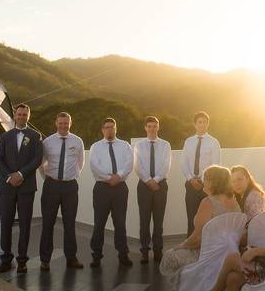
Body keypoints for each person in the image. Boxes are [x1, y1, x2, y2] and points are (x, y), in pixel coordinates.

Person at [159, 165, 240, 288]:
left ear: (214, 182)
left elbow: (197, 239)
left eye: (206, 178)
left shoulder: (208, 202)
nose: (203, 181)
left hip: (206, 255)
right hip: (228, 253)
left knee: (169, 255)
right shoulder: (234, 201)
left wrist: (180, 246)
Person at [0, 103, 43, 274]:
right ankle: (6, 259)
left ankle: (22, 260)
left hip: (26, 186)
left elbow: (37, 159)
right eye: (19, 114)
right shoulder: (6, 136)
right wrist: (9, 176)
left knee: (25, 224)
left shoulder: (35, 136)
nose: (21, 117)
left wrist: (20, 174)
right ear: (15, 116)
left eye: (24, 114)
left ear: (29, 116)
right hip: (7, 187)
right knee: (5, 223)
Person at [38, 111, 85, 271]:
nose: (63, 126)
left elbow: (80, 163)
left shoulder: (77, 141)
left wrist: (68, 177)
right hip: (51, 186)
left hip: (70, 187)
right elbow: (41, 163)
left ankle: (71, 258)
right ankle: (45, 259)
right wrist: (49, 179)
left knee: (70, 224)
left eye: (66, 123)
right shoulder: (48, 142)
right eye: (60, 123)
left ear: (70, 123)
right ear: (56, 123)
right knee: (48, 224)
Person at [89, 117, 134, 268]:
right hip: (102, 188)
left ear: (116, 129)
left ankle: (123, 255)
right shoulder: (96, 147)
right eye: (107, 127)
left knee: (120, 224)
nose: (109, 129)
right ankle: (96, 256)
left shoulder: (125, 145)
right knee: (99, 224)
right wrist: (109, 178)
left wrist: (118, 177)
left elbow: (129, 164)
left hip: (120, 188)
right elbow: (94, 166)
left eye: (112, 127)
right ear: (102, 130)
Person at [134, 115, 172, 264]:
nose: (152, 128)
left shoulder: (165, 145)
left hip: (160, 185)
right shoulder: (139, 145)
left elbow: (166, 165)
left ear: (158, 127)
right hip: (143, 185)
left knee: (158, 220)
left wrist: (155, 180)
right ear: (145, 127)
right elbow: (137, 166)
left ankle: (158, 251)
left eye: (154, 126)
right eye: (149, 126)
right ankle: (144, 251)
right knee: (144, 220)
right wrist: (148, 181)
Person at [182, 112, 221, 236]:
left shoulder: (214, 142)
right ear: (195, 124)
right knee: (191, 217)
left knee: (207, 218)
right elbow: (184, 163)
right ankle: (190, 246)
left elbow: (216, 165)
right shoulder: (189, 142)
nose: (202, 125)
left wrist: (203, 181)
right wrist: (191, 179)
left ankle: (205, 246)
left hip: (207, 186)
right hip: (191, 184)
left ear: (208, 124)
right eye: (200, 122)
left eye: (205, 122)